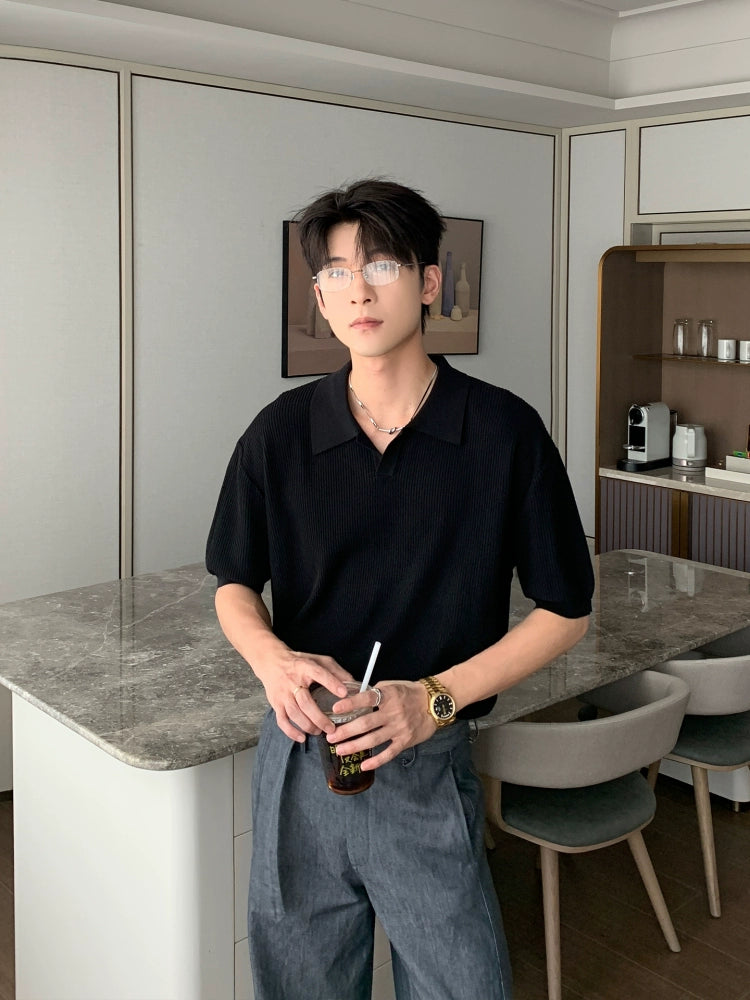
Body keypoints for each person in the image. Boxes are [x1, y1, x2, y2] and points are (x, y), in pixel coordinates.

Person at [206, 178, 594, 1000]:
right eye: (337, 272)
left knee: (463, 986)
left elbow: (566, 610)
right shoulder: (280, 432)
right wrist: (271, 659)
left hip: (425, 760)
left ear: (428, 283)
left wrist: (435, 699)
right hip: (300, 758)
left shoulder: (503, 431)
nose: (360, 290)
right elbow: (234, 580)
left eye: (381, 265)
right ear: (319, 297)